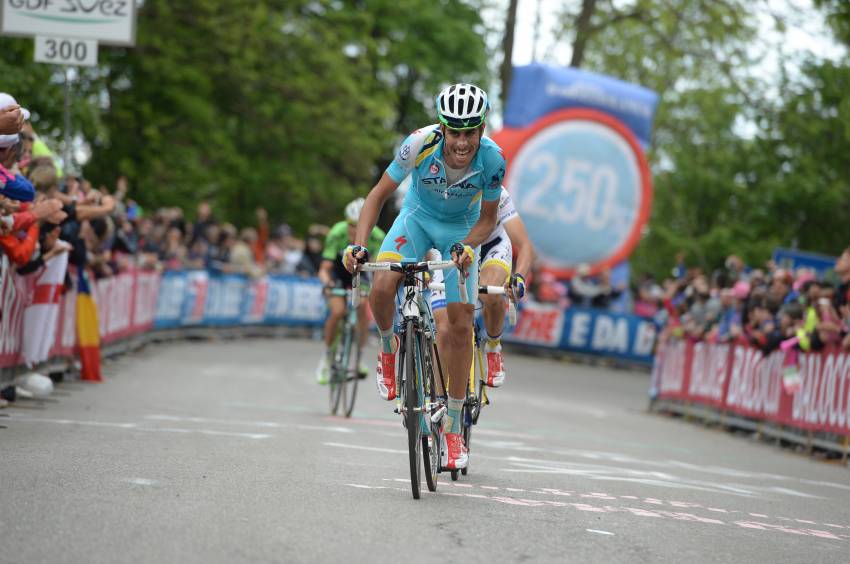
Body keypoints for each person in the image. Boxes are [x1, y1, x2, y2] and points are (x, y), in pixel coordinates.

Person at [343, 83, 506, 470]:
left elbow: (488, 219)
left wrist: (467, 246)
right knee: (383, 284)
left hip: (462, 231)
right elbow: (377, 196)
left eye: (470, 132)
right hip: (415, 219)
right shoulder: (418, 143)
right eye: (455, 131)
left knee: (460, 320)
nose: (462, 142)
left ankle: (451, 427)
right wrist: (359, 245)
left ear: (481, 130)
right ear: (442, 128)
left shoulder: (493, 159)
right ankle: (388, 347)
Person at [429, 186, 533, 388]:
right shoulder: (446, 189)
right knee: (443, 327)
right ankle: (439, 398)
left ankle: (493, 348)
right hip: (453, 249)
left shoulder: (499, 194)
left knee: (490, 291)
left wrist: (518, 277)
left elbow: (526, 245)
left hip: (491, 246)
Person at [316, 198, 385, 384]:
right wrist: (328, 283)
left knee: (362, 307)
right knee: (338, 311)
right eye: (352, 225)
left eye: (361, 225)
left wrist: (375, 288)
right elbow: (324, 268)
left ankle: (358, 357)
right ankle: (327, 356)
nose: (355, 230)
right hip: (339, 273)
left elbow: (378, 268)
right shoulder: (337, 232)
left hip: (362, 273)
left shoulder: (378, 236)